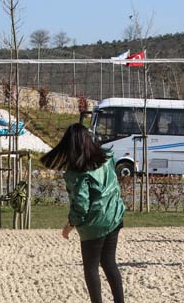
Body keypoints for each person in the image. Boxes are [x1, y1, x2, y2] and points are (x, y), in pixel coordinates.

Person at [41, 123, 125, 303]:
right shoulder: (106, 158)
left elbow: (81, 204)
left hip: (94, 224)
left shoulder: (77, 172)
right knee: (110, 263)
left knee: (91, 268)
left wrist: (69, 225)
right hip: (114, 216)